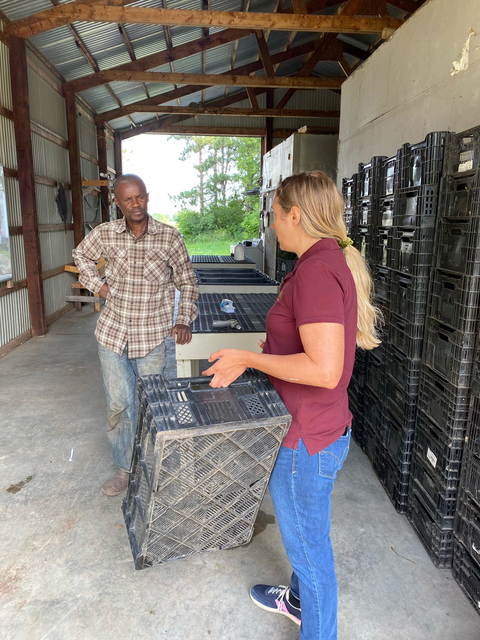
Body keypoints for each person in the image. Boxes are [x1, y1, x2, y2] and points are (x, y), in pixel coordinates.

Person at [203, 171, 380, 640]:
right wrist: (267, 357)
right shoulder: (321, 261)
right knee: (307, 532)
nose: (272, 226)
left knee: (309, 551)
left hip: (308, 440)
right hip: (322, 427)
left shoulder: (318, 271)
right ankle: (296, 602)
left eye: (274, 215)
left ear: (295, 215)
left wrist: (246, 356)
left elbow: (325, 370)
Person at [73, 174, 199, 496]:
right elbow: (80, 256)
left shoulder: (169, 238)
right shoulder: (106, 233)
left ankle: (154, 465)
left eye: (139, 197)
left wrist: (183, 318)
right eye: (128, 199)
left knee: (153, 403)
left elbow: (187, 281)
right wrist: (98, 285)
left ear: (147, 196)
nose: (135, 204)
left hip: (151, 336)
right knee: (119, 405)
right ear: (117, 203)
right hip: (112, 335)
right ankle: (124, 468)